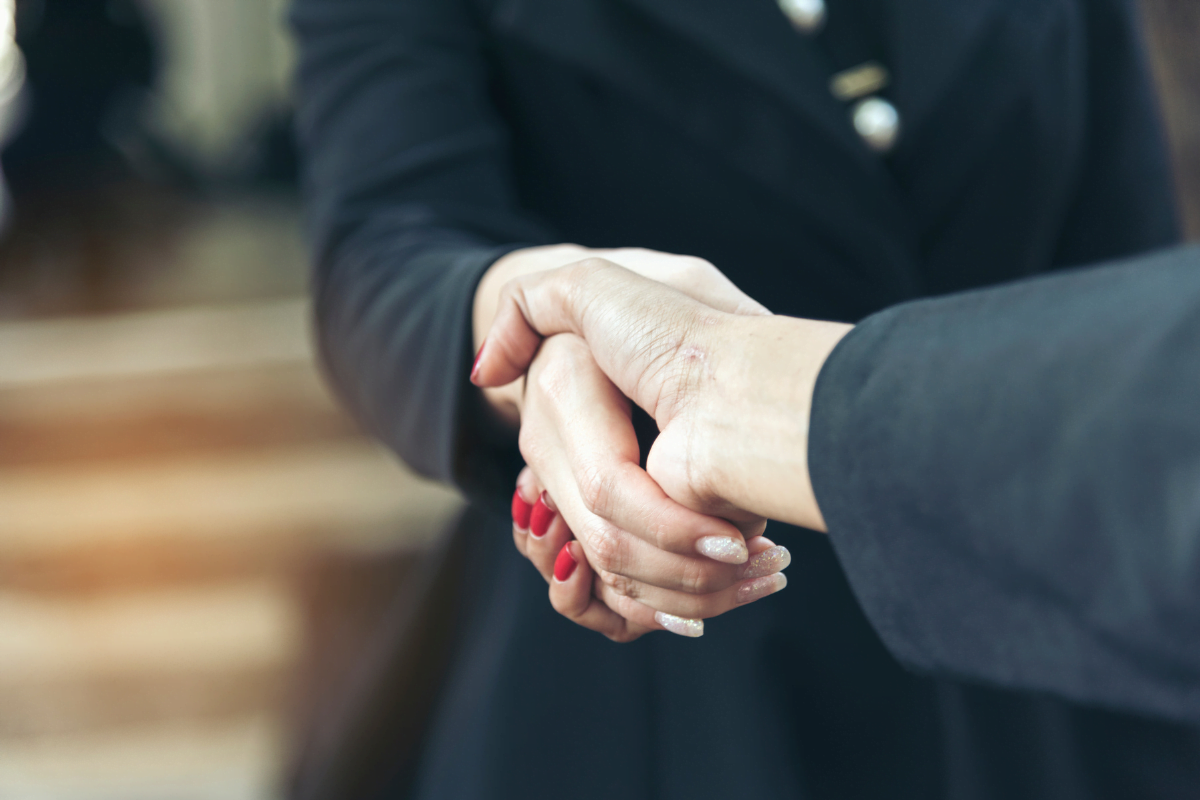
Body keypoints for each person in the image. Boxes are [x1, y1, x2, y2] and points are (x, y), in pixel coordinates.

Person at [288, 0, 1198, 797]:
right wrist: (544, 326)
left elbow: (1120, 290)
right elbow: (384, 247)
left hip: (1022, 616)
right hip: (677, 638)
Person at [474, 244, 1200, 726]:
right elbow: (386, 241)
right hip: (697, 707)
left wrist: (713, 380)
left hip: (1064, 665)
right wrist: (541, 336)